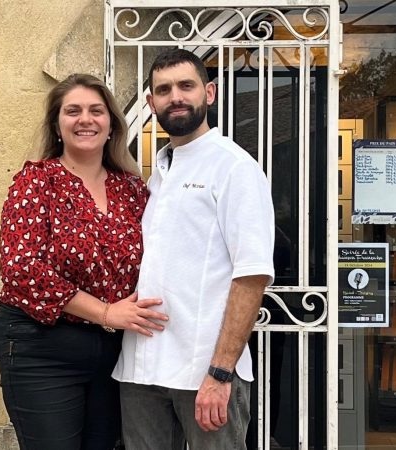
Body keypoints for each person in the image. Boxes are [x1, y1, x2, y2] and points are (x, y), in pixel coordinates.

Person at [0, 73, 168, 450]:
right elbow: (21, 268)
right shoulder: (36, 182)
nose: (85, 119)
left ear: (111, 126)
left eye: (96, 111)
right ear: (58, 125)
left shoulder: (133, 190)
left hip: (113, 352)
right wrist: (105, 312)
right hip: (42, 347)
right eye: (73, 111)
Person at [113, 49, 275, 449]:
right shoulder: (159, 173)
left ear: (210, 93)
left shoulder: (234, 167)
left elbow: (251, 275)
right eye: (164, 90)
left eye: (186, 86)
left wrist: (221, 372)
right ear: (151, 104)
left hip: (202, 372)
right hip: (140, 371)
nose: (176, 97)